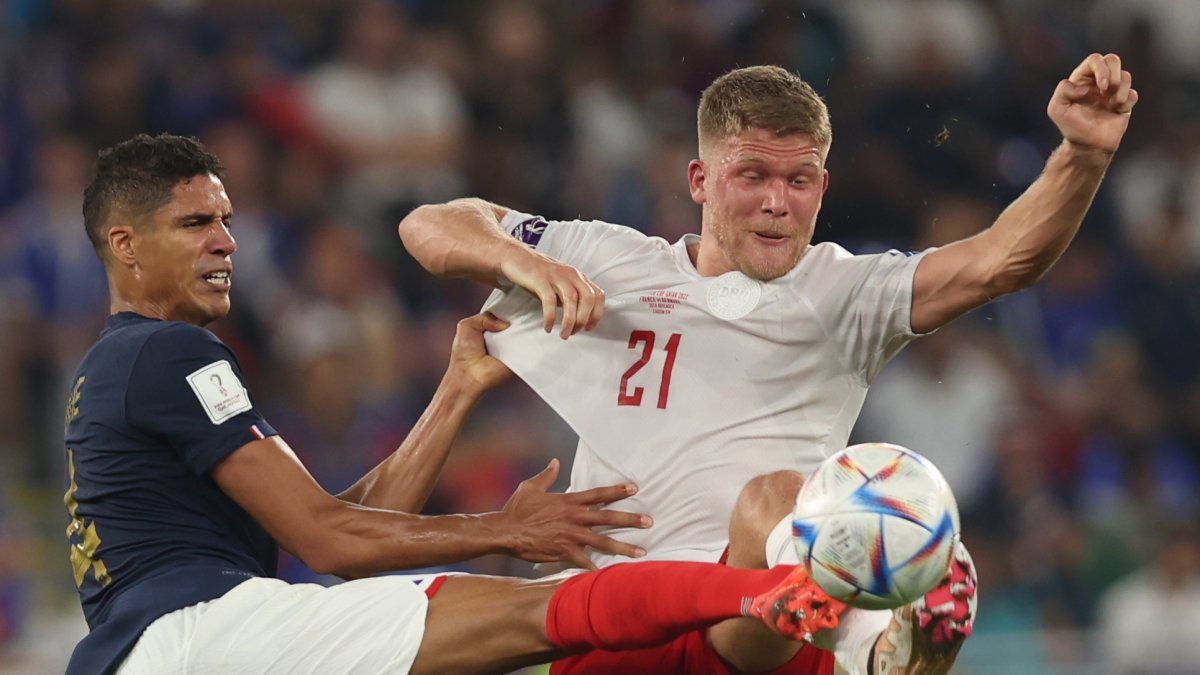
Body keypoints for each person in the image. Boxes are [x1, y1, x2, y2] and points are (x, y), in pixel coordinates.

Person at [399, 53, 1137, 674]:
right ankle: (882, 630)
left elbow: (1003, 260)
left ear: (823, 184)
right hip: (612, 618)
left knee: (782, 499)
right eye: (752, 175)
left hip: (762, 628)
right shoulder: (609, 258)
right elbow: (430, 224)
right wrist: (520, 261)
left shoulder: (848, 292)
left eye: (800, 180)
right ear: (699, 180)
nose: (778, 203)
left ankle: (883, 643)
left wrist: (1084, 154)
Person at [60, 132, 849, 675]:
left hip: (187, 643)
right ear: (124, 244)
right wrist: (504, 528)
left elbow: (340, 531)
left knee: (533, 620)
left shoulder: (129, 366)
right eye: (196, 223)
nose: (226, 241)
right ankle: (781, 592)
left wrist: (454, 392)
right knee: (553, 610)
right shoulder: (167, 351)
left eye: (227, 220)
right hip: (201, 637)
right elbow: (332, 541)